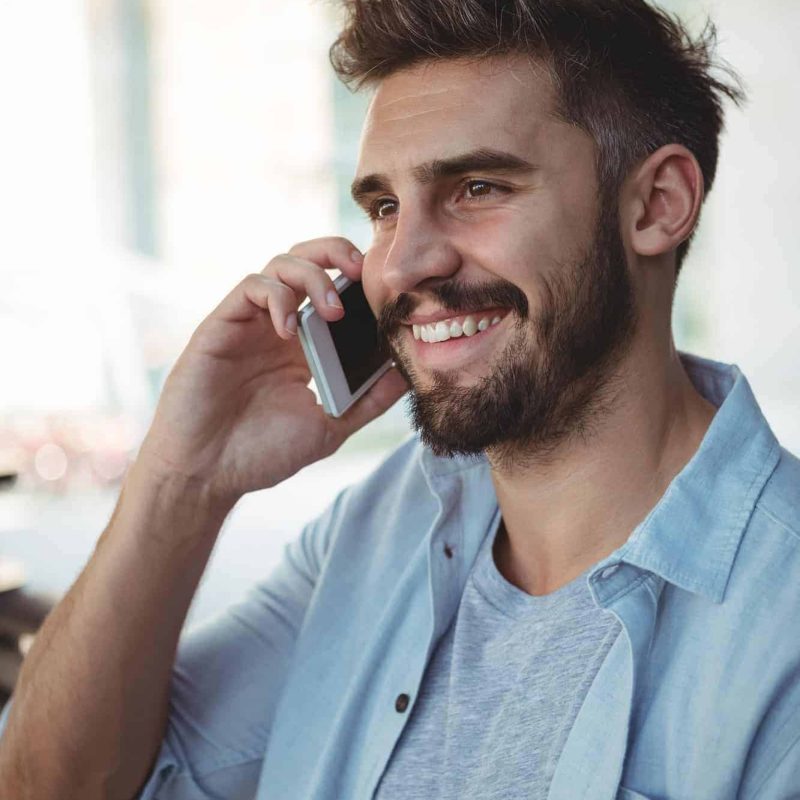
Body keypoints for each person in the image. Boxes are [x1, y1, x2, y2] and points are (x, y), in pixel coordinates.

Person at [1, 0, 799, 797]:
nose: (402, 263)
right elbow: (54, 785)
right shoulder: (379, 530)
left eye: (478, 187)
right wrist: (182, 482)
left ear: (658, 204)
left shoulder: (779, 622)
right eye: (383, 208)